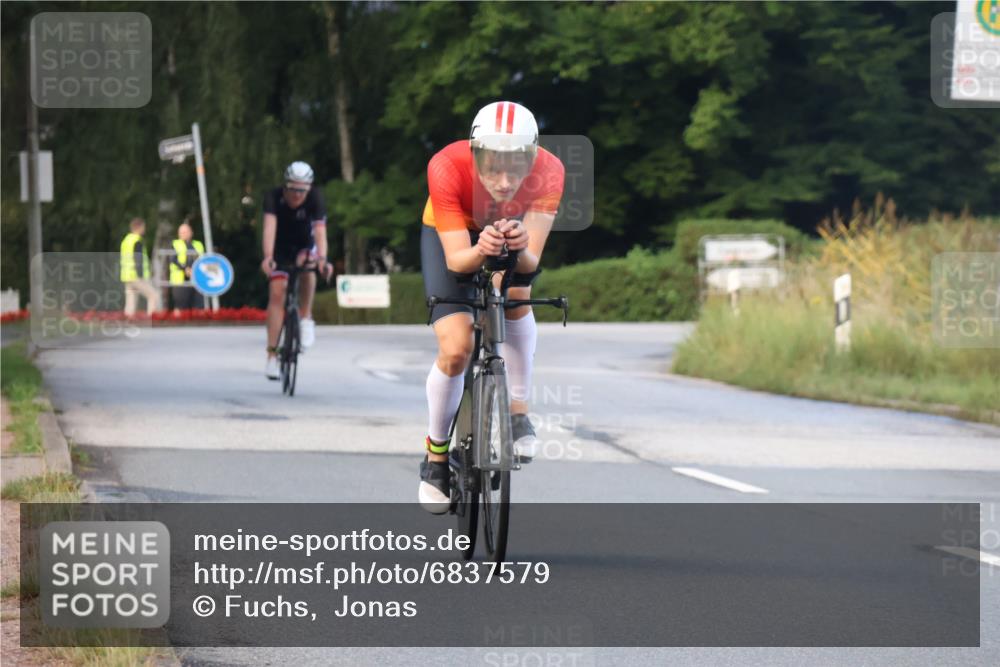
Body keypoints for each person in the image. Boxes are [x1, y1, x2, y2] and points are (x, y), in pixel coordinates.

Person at [418, 101, 565, 512]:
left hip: (509, 231)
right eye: (493, 168)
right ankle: (435, 457)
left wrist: (516, 248)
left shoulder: (551, 170)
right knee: (456, 348)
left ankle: (518, 412)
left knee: (516, 295)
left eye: (516, 168)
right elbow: (457, 263)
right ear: (474, 153)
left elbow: (530, 263)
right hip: (454, 236)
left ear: (532, 158)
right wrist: (481, 248)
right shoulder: (446, 166)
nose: (504, 181)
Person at [260, 161, 333, 380]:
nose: (297, 195)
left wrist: (322, 259)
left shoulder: (316, 198)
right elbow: (269, 228)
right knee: (277, 293)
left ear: (309, 188)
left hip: (304, 243)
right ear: (286, 186)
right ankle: (272, 356)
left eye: (302, 190)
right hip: (280, 246)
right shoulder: (273, 197)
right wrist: (268, 258)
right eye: (293, 189)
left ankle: (305, 316)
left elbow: (320, 232)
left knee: (309, 270)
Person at [120, 217, 161, 317]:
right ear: (139, 227)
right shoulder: (137, 241)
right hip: (136, 275)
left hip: (127, 275)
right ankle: (152, 319)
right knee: (154, 296)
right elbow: (138, 259)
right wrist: (141, 275)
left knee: (131, 301)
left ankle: (128, 322)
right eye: (143, 227)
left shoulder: (126, 240)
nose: (144, 229)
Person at [169, 222, 205, 316]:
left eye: (186, 231)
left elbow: (203, 260)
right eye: (182, 232)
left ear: (191, 232)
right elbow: (173, 260)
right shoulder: (175, 244)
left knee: (199, 305)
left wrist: (194, 270)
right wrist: (186, 269)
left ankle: (200, 326)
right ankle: (176, 326)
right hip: (180, 280)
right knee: (180, 306)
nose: (184, 234)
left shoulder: (198, 244)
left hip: (197, 279)